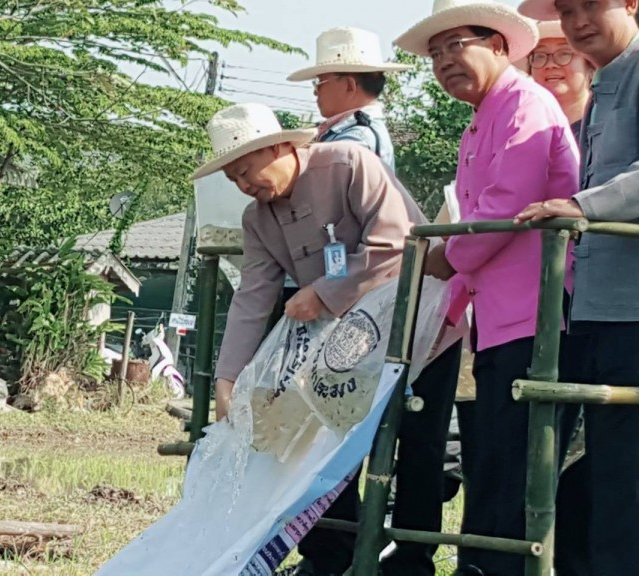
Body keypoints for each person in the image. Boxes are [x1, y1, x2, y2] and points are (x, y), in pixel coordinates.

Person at [197, 102, 459, 576]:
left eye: (246, 169)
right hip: (343, 348)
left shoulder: (350, 164)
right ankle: (328, 556)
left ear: (279, 147)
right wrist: (228, 377)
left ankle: (413, 560)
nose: (244, 184)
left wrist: (323, 291)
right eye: (232, 178)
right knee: (318, 444)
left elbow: (396, 241)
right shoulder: (258, 220)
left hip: (420, 322)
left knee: (420, 444)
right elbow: (253, 297)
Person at [395, 1, 580, 575]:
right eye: (436, 52)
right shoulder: (481, 120)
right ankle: (485, 565)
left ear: (499, 45)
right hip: (501, 315)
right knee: (495, 455)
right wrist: (442, 315)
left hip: (540, 310)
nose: (447, 61)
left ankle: (503, 568)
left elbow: (507, 206)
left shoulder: (524, 102)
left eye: (458, 45)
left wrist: (445, 260)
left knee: (518, 458)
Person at [516, 1, 639, 575]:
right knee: (580, 471)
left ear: (631, 3)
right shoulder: (605, 82)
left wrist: (579, 207)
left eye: (591, 4)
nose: (578, 19)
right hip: (591, 302)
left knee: (632, 474)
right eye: (566, 9)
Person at [284, 28, 462, 576]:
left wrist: (329, 288)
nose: (317, 91)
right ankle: (398, 553)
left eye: (324, 80)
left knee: (358, 427)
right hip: (385, 299)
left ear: (348, 82)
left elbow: (345, 239)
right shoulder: (347, 137)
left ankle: (346, 552)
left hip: (379, 304)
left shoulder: (350, 148)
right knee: (404, 436)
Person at [523, 19, 594, 576]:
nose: (549, 66)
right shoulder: (519, 125)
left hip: (596, 301)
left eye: (561, 53)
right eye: (538, 55)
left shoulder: (601, 126)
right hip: (527, 304)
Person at [287, 27, 412, 168]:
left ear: (349, 86)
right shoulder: (353, 132)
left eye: (319, 83)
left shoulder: (356, 139)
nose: (316, 92)